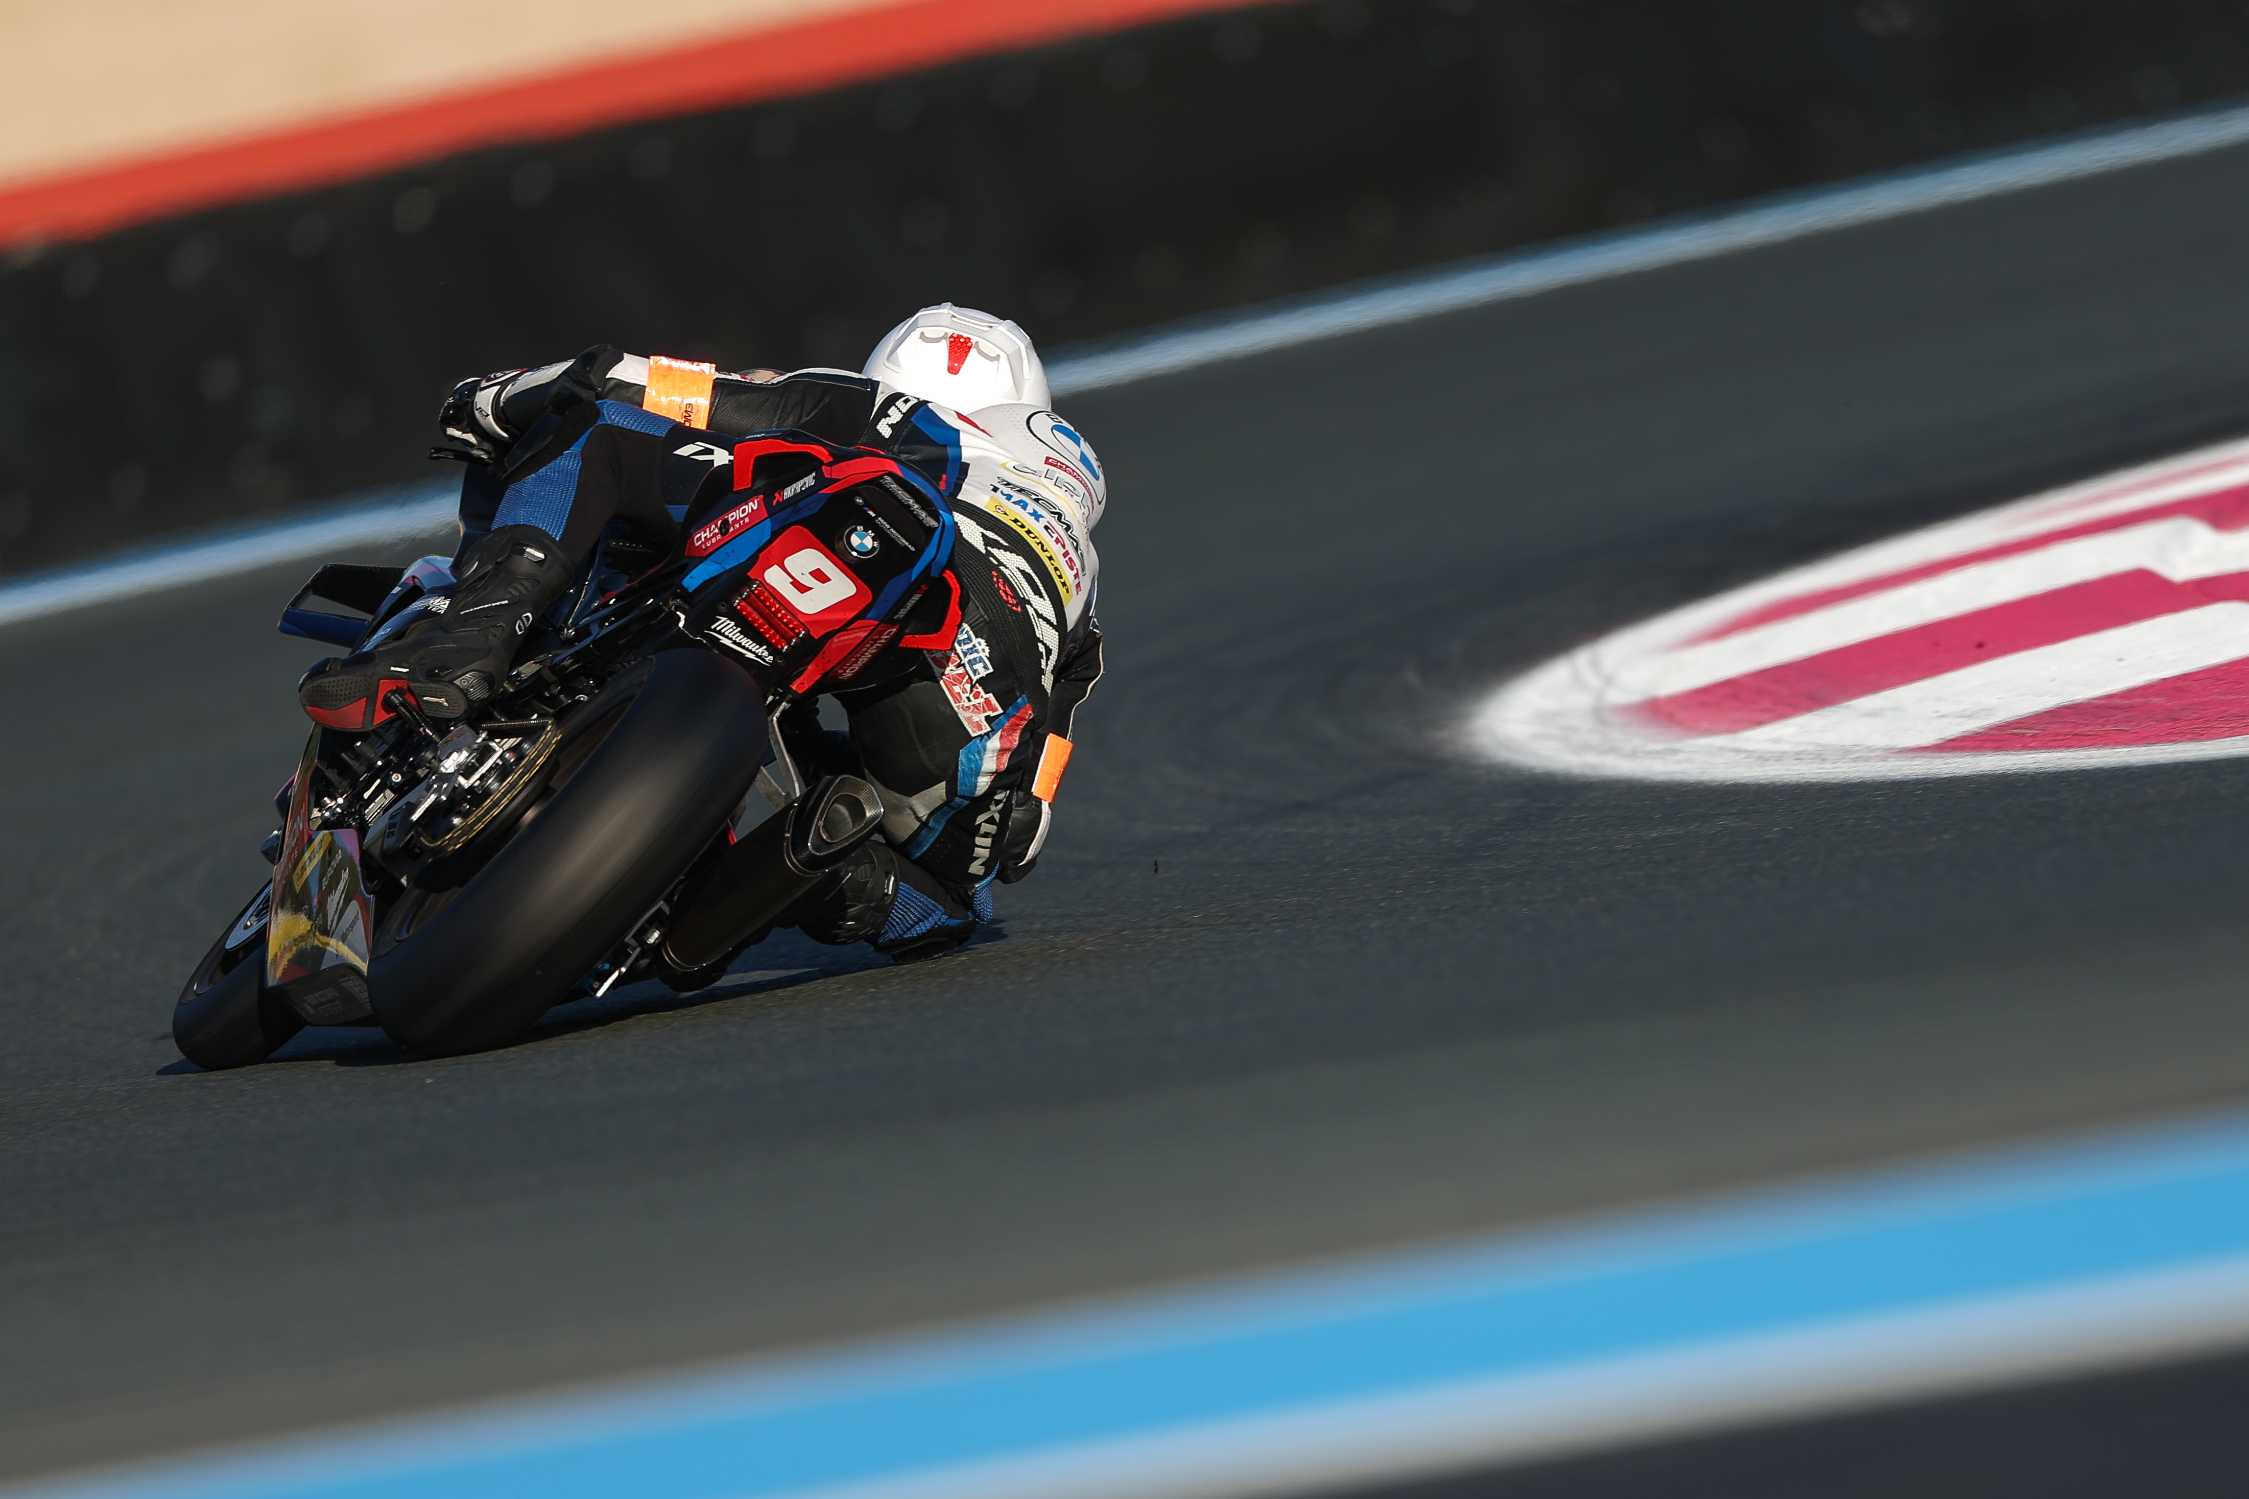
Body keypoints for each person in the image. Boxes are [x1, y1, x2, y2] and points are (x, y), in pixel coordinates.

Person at [296, 304, 1104, 961]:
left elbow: (651, 385)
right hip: (981, 717)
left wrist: (499, 397)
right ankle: (825, 877)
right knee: (955, 898)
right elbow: (1027, 828)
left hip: (873, 544)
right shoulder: (1078, 573)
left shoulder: (882, 409)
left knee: (601, 432)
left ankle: (465, 642)